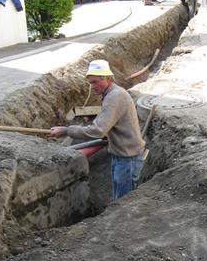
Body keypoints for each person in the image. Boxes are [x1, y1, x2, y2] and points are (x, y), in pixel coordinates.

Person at [50, 60, 146, 200]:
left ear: (107, 78)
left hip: (128, 159)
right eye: (90, 83)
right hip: (122, 155)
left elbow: (97, 131)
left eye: (95, 82)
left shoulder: (115, 97)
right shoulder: (112, 93)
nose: (92, 87)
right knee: (119, 199)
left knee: (123, 202)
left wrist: (66, 130)